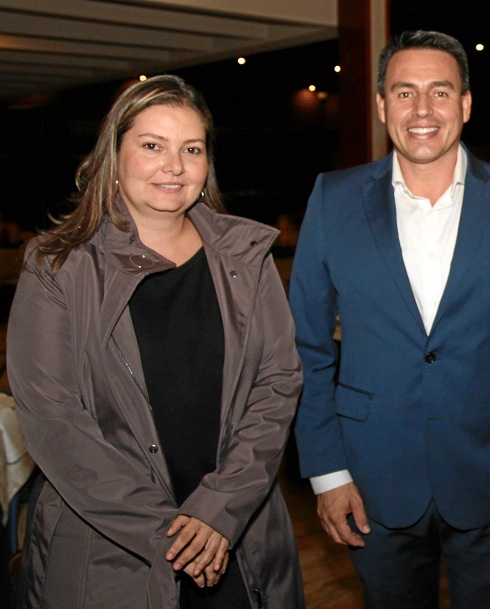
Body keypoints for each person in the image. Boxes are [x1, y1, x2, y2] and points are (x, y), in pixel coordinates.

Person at [288, 30, 490, 609]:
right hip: (370, 480)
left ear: (465, 105)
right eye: (405, 92)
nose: (422, 110)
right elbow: (306, 348)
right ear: (381, 105)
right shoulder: (332, 199)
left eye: (440, 93)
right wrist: (326, 472)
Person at [7, 75, 304, 608]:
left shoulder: (245, 258)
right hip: (109, 550)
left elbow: (277, 385)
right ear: (113, 158)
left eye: (191, 149)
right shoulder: (57, 266)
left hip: (239, 537)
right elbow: (54, 422)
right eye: (152, 146)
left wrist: (218, 510)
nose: (174, 166)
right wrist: (174, 533)